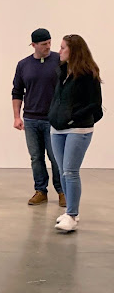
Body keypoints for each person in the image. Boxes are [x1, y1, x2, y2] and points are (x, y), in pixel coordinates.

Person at [48, 35, 102, 232]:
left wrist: (72, 118)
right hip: (57, 128)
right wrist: (53, 116)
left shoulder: (88, 74)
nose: (59, 51)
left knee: (71, 171)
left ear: (74, 51)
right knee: (62, 170)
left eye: (63, 48)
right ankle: (71, 211)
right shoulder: (62, 71)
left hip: (78, 129)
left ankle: (71, 214)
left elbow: (95, 105)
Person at [12, 28, 65, 207]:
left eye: (49, 43)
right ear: (33, 45)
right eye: (44, 44)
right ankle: (40, 191)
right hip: (31, 120)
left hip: (53, 119)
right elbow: (17, 92)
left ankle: (62, 191)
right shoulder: (23, 65)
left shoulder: (59, 60)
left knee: (56, 158)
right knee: (36, 157)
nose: (48, 46)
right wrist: (16, 117)